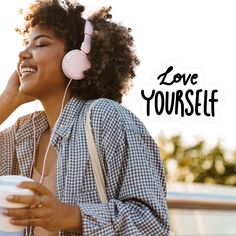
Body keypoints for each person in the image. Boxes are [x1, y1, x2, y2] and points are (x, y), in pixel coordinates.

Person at [0, 0, 170, 235]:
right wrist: (7, 101)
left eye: (40, 44)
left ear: (77, 61)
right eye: (26, 44)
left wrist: (71, 216)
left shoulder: (106, 118)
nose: (22, 53)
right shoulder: (22, 133)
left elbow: (152, 223)